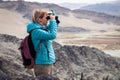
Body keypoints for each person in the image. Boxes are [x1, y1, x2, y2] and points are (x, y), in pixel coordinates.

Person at [27, 9, 58, 76]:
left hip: (47, 62)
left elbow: (53, 27)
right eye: (46, 17)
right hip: (42, 64)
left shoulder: (42, 28)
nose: (48, 19)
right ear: (39, 19)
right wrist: (52, 20)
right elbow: (53, 35)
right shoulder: (36, 31)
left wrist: (53, 16)